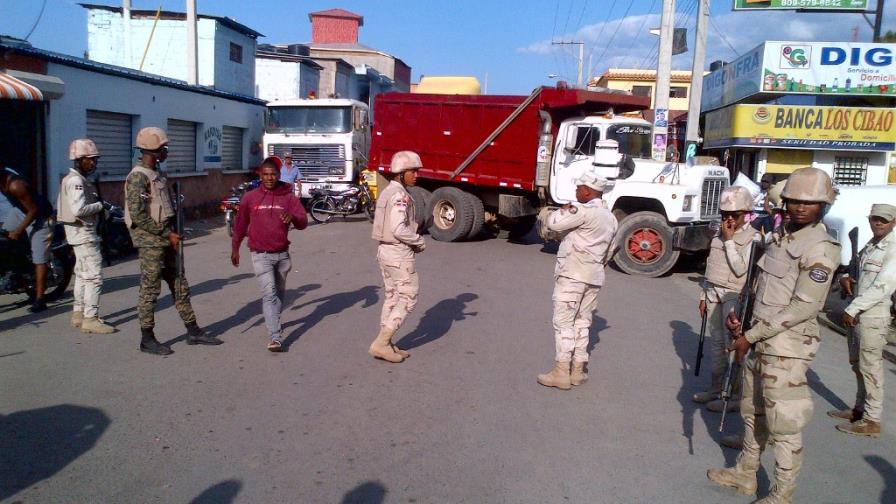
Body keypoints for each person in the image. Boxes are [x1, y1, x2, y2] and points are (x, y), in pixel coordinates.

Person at [707, 167, 840, 504]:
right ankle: (745, 474)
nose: (799, 208)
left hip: (787, 348)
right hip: (757, 339)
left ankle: (782, 494)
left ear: (823, 207)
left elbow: (803, 308)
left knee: (785, 426)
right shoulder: (780, 240)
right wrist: (742, 318)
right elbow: (760, 288)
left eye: (809, 204)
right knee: (753, 413)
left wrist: (752, 335)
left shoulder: (821, 248)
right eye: (794, 201)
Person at [124, 126, 222, 355]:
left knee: (180, 284)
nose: (166, 152)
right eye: (163, 148)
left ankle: (193, 331)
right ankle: (147, 339)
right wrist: (167, 233)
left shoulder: (157, 174)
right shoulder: (138, 177)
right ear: (152, 150)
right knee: (150, 290)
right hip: (151, 241)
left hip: (166, 237)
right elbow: (138, 215)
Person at [536, 172, 618, 390]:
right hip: (594, 277)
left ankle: (561, 372)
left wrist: (562, 210)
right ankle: (578, 371)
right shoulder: (610, 218)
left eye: (578, 187)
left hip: (572, 275)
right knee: (583, 322)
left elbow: (553, 224)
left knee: (563, 323)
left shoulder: (582, 211)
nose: (576, 190)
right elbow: (609, 252)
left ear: (587, 191)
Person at [829, 203, 896, 437]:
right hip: (857, 313)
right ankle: (859, 410)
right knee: (857, 365)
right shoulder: (871, 244)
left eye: (883, 220)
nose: (877, 223)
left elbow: (883, 286)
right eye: (875, 218)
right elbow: (859, 272)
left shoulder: (893, 247)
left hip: (873, 315)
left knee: (870, 368)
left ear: (893, 222)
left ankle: (872, 419)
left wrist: (854, 308)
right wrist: (847, 277)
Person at [231, 156, 308, 352]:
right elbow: (240, 225)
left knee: (279, 294)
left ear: (278, 175)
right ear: (260, 175)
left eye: (273, 174)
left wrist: (293, 218)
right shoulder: (250, 197)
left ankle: (275, 320)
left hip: (282, 255)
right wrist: (235, 248)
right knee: (269, 295)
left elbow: (303, 222)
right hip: (260, 254)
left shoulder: (288, 197)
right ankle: (275, 336)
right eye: (265, 174)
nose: (269, 178)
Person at [693, 187, 757, 412]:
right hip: (713, 293)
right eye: (725, 215)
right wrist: (703, 294)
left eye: (735, 215)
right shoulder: (719, 234)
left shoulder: (753, 238)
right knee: (717, 346)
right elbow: (711, 266)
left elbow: (741, 270)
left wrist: (730, 240)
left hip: (733, 296)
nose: (729, 219)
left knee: (733, 348)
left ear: (746, 214)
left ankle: (732, 396)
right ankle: (715, 389)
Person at [368, 150, 426, 363]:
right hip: (398, 253)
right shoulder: (401, 196)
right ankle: (381, 343)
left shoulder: (388, 191)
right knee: (409, 296)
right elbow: (398, 228)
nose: (416, 175)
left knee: (392, 296)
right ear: (401, 173)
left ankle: (387, 343)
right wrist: (419, 241)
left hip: (385, 252)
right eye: (412, 171)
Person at [56, 139, 115, 333]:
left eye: (95, 159)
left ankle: (79, 313)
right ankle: (91, 318)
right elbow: (79, 209)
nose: (93, 163)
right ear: (79, 159)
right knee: (94, 277)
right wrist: (101, 206)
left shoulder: (73, 179)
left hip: (78, 233)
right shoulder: (76, 181)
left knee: (82, 275)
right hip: (84, 233)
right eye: (90, 159)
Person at [0, 163, 54, 312]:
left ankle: (40, 300)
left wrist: (18, 231)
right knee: (3, 239)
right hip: (21, 211)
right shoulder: (2, 182)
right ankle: (16, 268)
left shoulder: (15, 185)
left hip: (42, 217)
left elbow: (33, 210)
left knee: (39, 258)